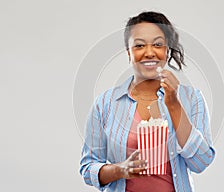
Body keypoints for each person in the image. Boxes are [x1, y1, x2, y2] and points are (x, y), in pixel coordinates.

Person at [79, 11, 215, 192]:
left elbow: (201, 162)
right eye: (139, 45)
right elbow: (88, 168)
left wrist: (173, 104)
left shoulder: (192, 99)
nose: (149, 53)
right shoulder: (105, 104)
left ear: (167, 50)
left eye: (158, 44)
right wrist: (119, 170)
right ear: (129, 52)